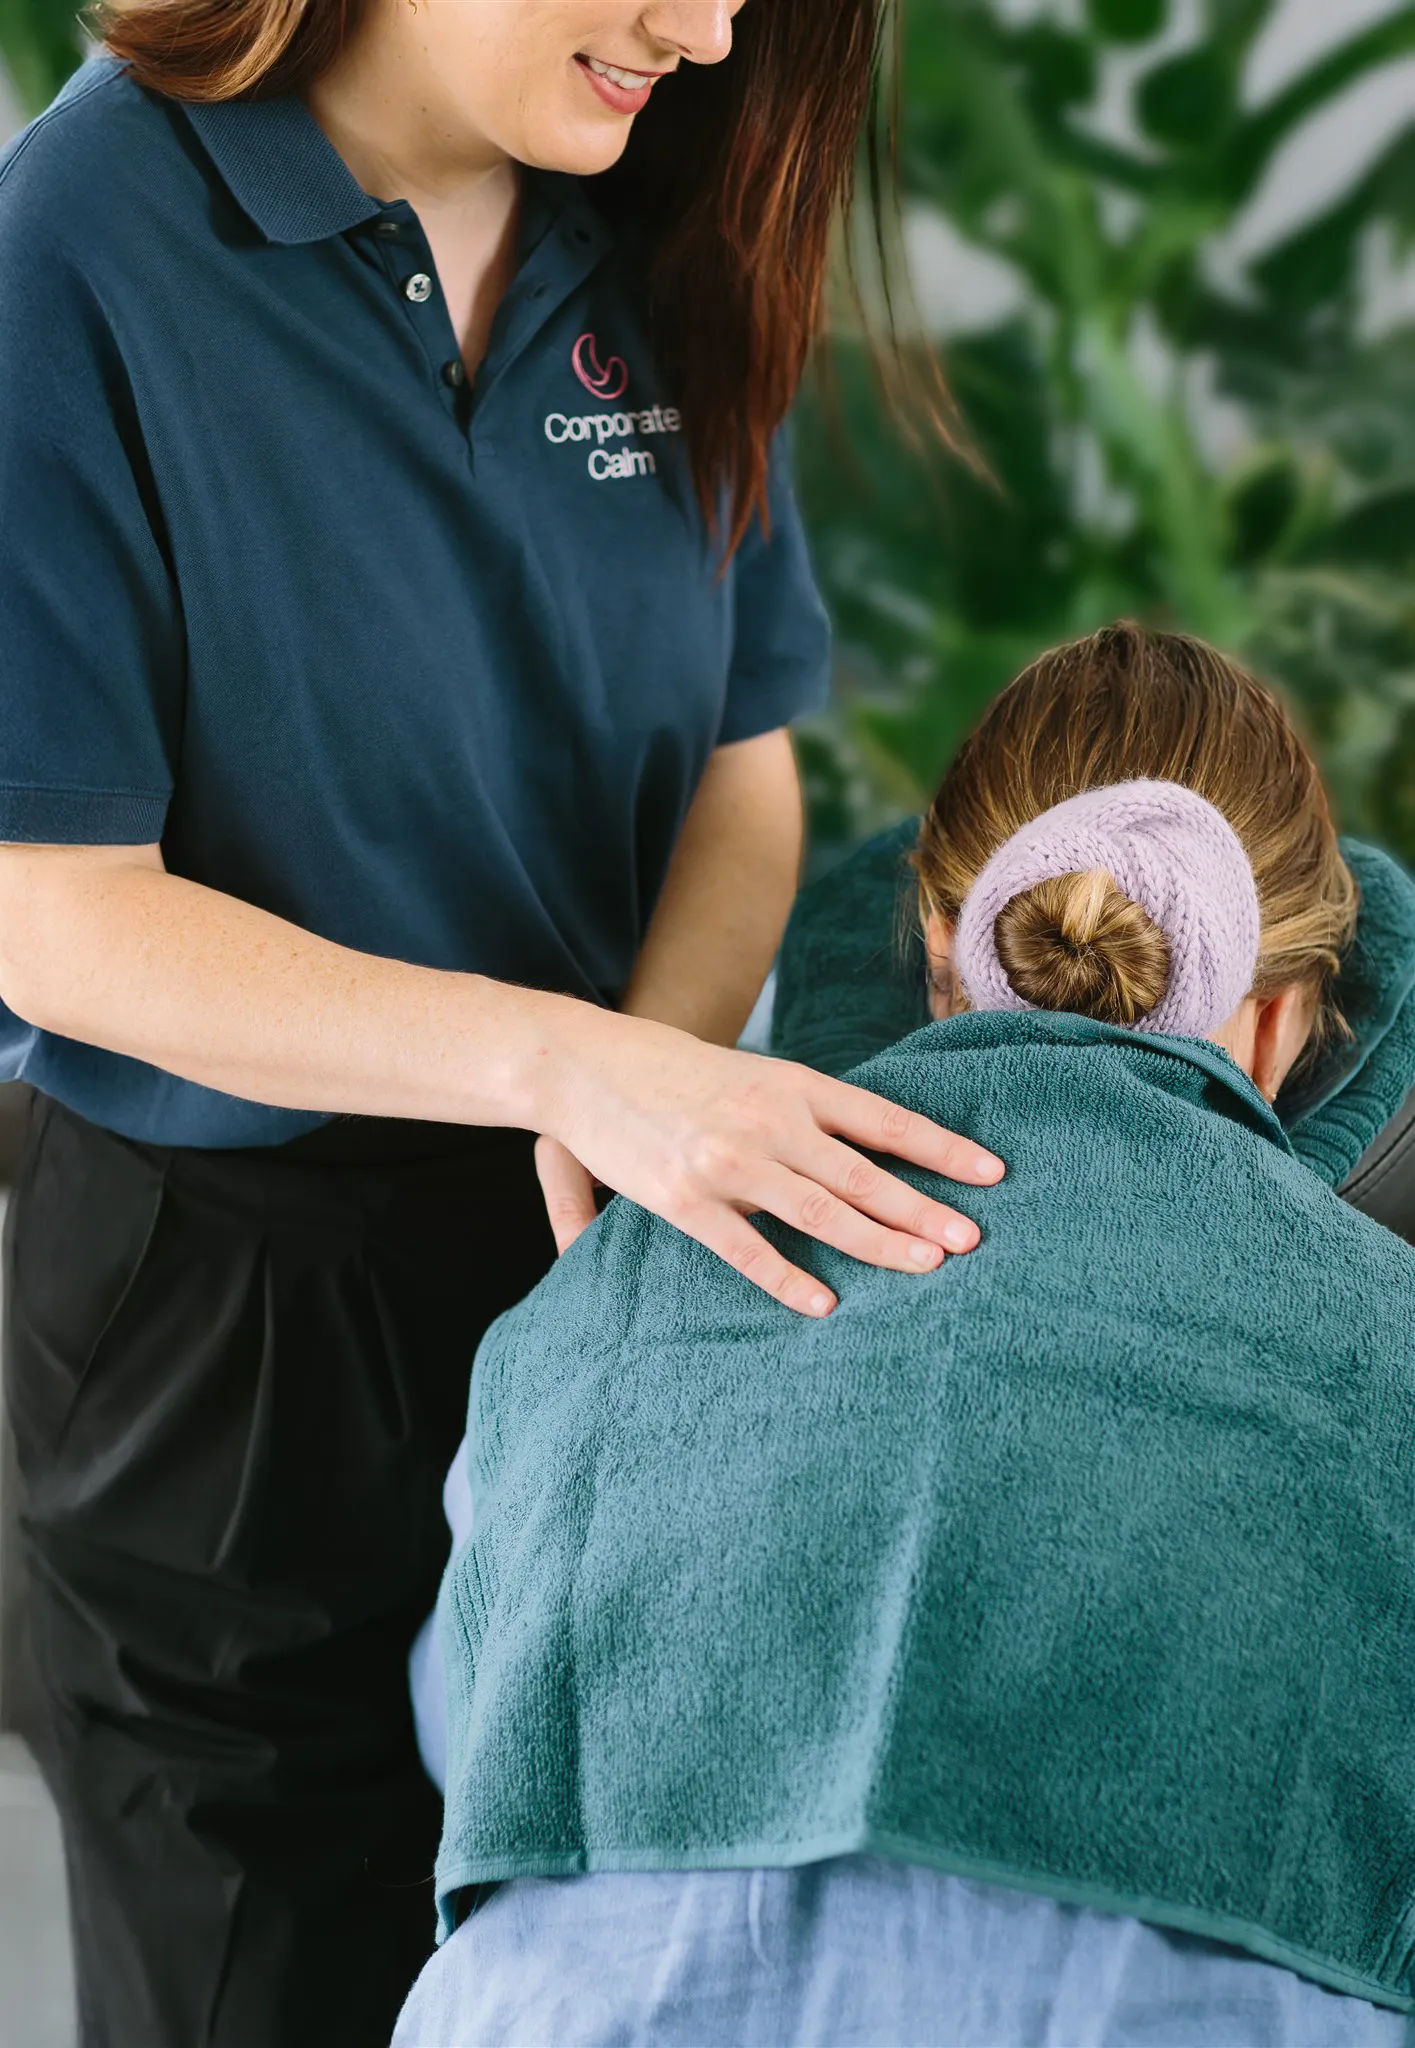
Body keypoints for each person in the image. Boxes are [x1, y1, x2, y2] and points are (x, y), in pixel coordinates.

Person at [0, 4, 1009, 2044]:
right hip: (234, 1311)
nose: (705, 31)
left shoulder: (664, 212)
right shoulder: (75, 253)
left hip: (602, 1234)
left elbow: (745, 762)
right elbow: (54, 914)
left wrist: (646, 1077)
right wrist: (572, 1066)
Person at [400, 626, 1415, 2048]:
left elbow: (475, 1732)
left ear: (938, 957)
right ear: (1275, 1019)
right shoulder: (1386, 1345)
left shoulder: (599, 1301)